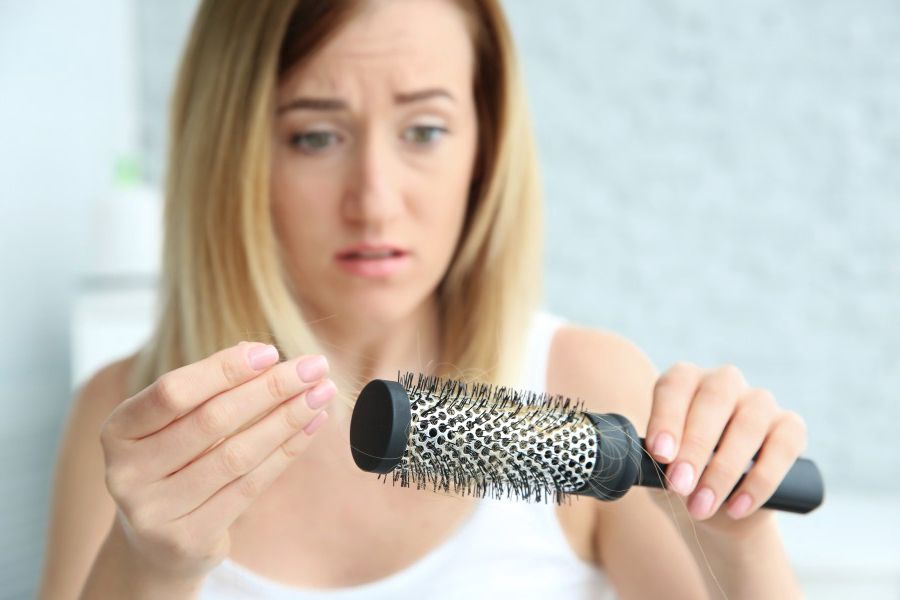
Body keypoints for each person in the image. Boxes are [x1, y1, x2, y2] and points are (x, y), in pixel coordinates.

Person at [38, 0, 808, 598]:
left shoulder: (589, 385)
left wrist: (742, 546)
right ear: (232, 153)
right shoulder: (134, 419)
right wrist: (151, 567)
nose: (375, 201)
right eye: (315, 137)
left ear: (485, 145)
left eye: (425, 131)